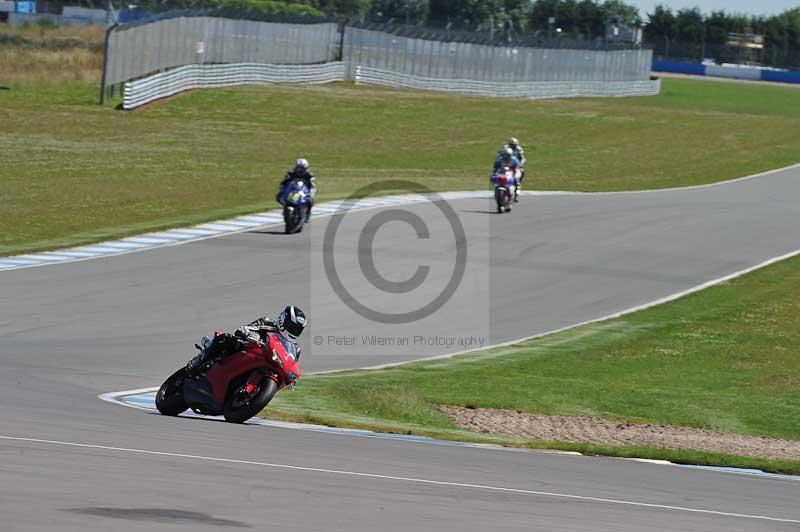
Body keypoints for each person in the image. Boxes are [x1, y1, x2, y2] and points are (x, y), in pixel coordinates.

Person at [185, 305, 307, 376]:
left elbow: (291, 364)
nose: (294, 331)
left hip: (267, 364)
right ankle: (198, 361)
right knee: (226, 339)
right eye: (292, 327)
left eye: (297, 330)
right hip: (246, 351)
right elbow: (243, 329)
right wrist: (253, 336)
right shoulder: (267, 323)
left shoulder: (296, 349)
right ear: (283, 320)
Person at [503, 137, 526, 202]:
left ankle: (516, 195)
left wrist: (521, 164)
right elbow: (501, 156)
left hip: (516, 164)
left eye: (514, 145)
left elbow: (523, 158)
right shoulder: (505, 148)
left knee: (519, 176)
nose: (513, 146)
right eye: (511, 144)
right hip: (507, 164)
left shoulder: (519, 149)